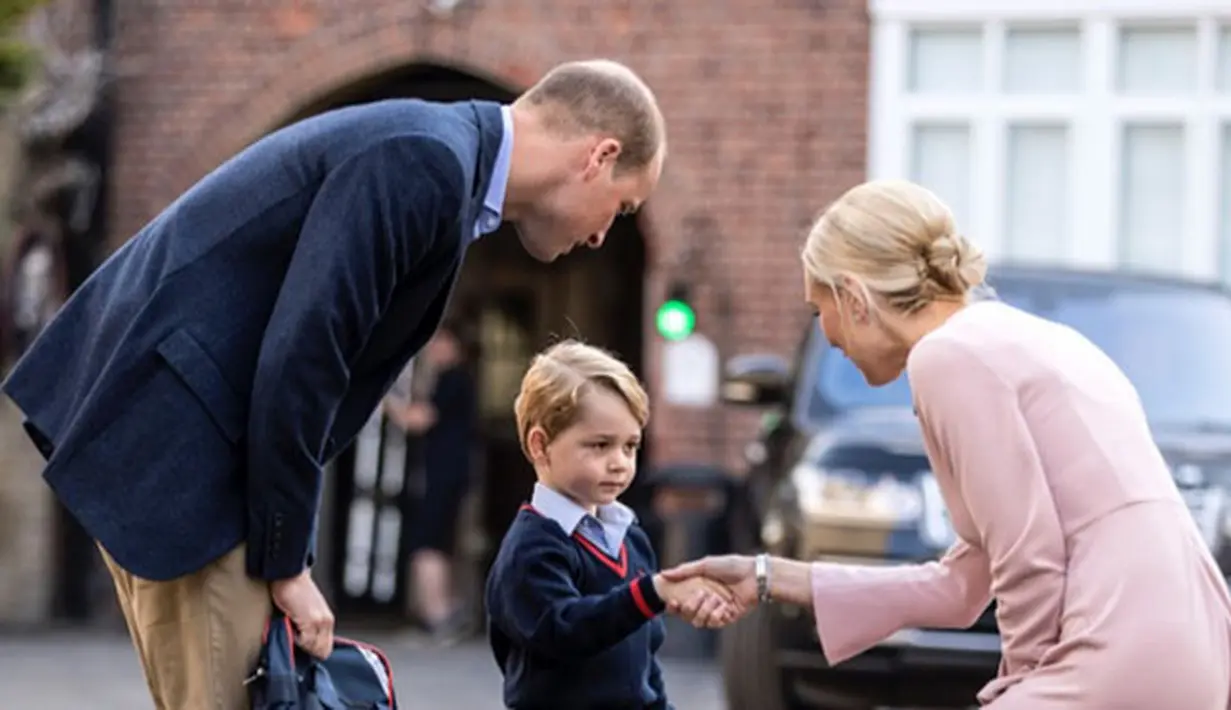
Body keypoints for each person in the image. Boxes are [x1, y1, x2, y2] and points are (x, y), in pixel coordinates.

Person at [0, 58, 666, 710]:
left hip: (184, 442)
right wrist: (287, 563)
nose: (606, 233)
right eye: (623, 205)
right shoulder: (425, 161)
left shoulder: (439, 155)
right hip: (192, 454)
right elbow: (304, 356)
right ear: (598, 156)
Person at [663, 179, 1231, 708]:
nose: (830, 337)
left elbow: (1026, 555)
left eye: (821, 310)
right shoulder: (1028, 339)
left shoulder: (949, 357)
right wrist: (767, 576)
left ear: (855, 297)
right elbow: (962, 585)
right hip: (1191, 643)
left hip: (1114, 645)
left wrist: (1017, 687)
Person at [485, 340, 738, 710]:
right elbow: (565, 632)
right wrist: (651, 593)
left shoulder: (630, 538)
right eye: (600, 445)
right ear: (540, 445)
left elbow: (644, 662)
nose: (619, 462)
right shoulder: (530, 549)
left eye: (630, 446)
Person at [384, 323, 478, 641]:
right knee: (436, 541)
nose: (432, 350)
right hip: (448, 474)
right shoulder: (454, 379)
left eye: (438, 343)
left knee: (426, 541)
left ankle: (437, 614)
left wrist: (383, 399)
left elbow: (418, 420)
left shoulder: (453, 379)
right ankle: (440, 611)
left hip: (441, 474)